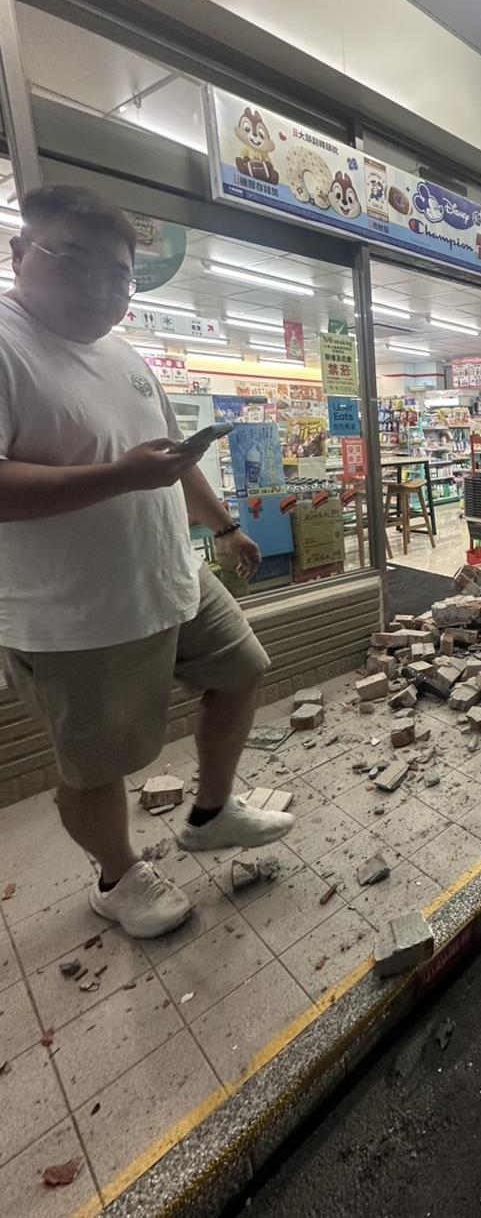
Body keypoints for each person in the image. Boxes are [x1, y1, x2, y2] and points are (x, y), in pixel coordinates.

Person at [0, 185, 294, 938]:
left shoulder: (125, 353)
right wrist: (119, 476)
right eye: (75, 261)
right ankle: (116, 876)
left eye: (120, 274)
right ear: (20, 252)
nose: (102, 286)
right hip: (76, 612)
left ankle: (210, 812)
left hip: (171, 575)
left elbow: (170, 456)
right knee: (97, 764)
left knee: (244, 669)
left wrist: (224, 526)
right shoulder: (7, 344)